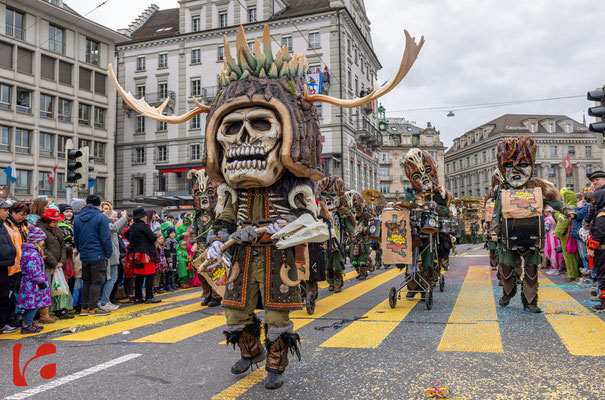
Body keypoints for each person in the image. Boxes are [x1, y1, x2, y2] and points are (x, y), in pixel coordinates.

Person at [492, 136, 574, 313]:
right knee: (506, 269)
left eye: (522, 165)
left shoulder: (538, 186)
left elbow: (556, 202)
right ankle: (508, 292)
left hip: (533, 235)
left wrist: (568, 210)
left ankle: (530, 301)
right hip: (508, 236)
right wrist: (493, 230)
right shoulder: (502, 189)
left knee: (531, 270)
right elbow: (496, 212)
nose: (516, 170)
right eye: (509, 165)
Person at [73, 195, 113, 316]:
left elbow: (76, 237)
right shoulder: (101, 217)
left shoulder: (78, 217)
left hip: (85, 253)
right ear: (98, 204)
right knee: (97, 281)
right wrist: (108, 253)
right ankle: (93, 307)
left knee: (87, 280)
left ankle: (84, 308)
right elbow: (105, 237)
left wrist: (81, 250)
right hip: (98, 253)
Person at [36, 207, 73, 321]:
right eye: (53, 221)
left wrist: (61, 261)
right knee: (46, 289)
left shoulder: (57, 229)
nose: (55, 223)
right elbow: (43, 248)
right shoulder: (40, 230)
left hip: (58, 264)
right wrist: (54, 262)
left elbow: (62, 245)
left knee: (57, 287)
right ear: (46, 220)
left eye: (56, 221)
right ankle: (44, 314)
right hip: (46, 265)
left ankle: (57, 310)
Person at [17, 226, 51, 334]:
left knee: (33, 304)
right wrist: (40, 281)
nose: (43, 242)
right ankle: (27, 325)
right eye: (42, 240)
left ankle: (28, 323)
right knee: (33, 305)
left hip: (32, 283)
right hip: (33, 284)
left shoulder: (32, 252)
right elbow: (33, 270)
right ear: (37, 240)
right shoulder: (31, 254)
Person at [125, 207, 161, 304]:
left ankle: (138, 297)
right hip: (146, 254)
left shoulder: (132, 227)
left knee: (139, 276)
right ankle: (149, 296)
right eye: (145, 215)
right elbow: (152, 238)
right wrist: (155, 235)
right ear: (141, 217)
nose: (146, 217)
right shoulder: (144, 226)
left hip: (135, 255)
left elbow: (126, 234)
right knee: (150, 275)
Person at [98, 202, 128, 311]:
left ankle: (105, 300)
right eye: (105, 208)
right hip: (109, 254)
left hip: (113, 254)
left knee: (111, 278)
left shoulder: (108, 220)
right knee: (111, 278)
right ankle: (104, 301)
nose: (108, 210)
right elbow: (115, 228)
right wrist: (123, 218)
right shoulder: (103, 221)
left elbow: (119, 230)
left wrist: (124, 220)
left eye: (109, 208)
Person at [5, 202, 29, 327]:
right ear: (12, 212)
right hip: (10, 264)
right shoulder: (6, 225)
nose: (23, 217)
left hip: (23, 264)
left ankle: (18, 316)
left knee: (20, 292)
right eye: (21, 214)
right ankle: (10, 318)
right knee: (9, 294)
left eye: (25, 215)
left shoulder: (24, 225)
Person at [585, 170, 605, 312]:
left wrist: (592, 246)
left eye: (597, 179)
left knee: (603, 275)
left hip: (602, 248)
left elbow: (600, 232)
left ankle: (604, 304)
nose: (594, 182)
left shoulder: (602, 213)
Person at [554, 189, 580, 282]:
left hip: (567, 235)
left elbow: (563, 222)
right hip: (572, 233)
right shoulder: (574, 206)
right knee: (574, 254)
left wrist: (557, 234)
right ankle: (574, 274)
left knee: (569, 255)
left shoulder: (568, 209)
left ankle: (572, 274)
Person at [0, 200, 18, 333]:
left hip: (5, 264)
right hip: (2, 263)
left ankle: (2, 323)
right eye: (5, 210)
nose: (7, 212)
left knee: (3, 295)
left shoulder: (2, 225)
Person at [544, 206, 564, 275]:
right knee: (557, 253)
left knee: (551, 252)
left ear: (547, 212)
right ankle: (558, 267)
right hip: (555, 236)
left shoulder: (548, 219)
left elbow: (546, 229)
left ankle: (554, 268)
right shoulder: (554, 217)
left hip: (550, 237)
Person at [164, 227, 178, 292]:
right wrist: (169, 261)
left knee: (173, 272)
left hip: (174, 257)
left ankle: (173, 284)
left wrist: (176, 260)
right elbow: (167, 251)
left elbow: (175, 251)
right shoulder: (168, 241)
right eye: (172, 233)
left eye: (174, 233)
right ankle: (168, 285)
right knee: (169, 272)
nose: (173, 234)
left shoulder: (174, 240)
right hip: (170, 257)